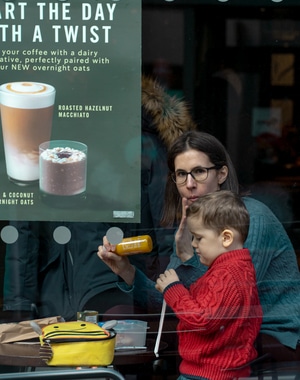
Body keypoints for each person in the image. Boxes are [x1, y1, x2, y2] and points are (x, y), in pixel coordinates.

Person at [2, 75, 196, 321]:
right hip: (53, 294)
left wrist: (164, 301)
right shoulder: (44, 140)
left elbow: (168, 228)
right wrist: (18, 305)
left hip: (118, 291)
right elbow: (23, 230)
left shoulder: (140, 143)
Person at [98, 130, 300, 361]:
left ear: (222, 173)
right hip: (217, 331)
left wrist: (187, 259)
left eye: (199, 172)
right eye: (181, 175)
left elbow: (221, 308)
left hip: (270, 336)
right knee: (124, 330)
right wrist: (127, 271)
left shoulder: (248, 217)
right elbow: (171, 303)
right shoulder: (195, 223)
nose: (189, 184)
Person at [155, 190, 263, 380]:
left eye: (199, 237)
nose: (194, 244)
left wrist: (174, 289)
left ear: (226, 238)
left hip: (210, 373)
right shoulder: (232, 269)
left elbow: (203, 319)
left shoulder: (228, 274)